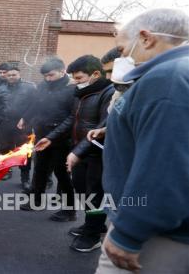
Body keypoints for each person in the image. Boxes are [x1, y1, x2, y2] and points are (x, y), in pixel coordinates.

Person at [95, 9, 189, 273]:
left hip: (157, 235)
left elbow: (165, 166)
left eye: (124, 49)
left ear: (146, 38)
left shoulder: (167, 78)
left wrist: (129, 233)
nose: (125, 57)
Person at [35, 55, 114, 252]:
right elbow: (72, 119)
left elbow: (102, 126)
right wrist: (51, 137)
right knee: (82, 190)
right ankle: (92, 224)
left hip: (98, 154)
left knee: (95, 196)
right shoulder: (82, 94)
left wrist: (77, 152)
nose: (75, 82)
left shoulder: (108, 93)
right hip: (80, 151)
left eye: (78, 78)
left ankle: (93, 235)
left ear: (95, 74)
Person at [18, 57, 76, 221]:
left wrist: (54, 135)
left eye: (51, 75)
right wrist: (25, 118)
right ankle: (37, 201)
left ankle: (69, 210)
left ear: (62, 71)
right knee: (40, 168)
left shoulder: (72, 89)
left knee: (62, 173)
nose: (48, 79)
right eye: (45, 76)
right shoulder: (43, 86)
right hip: (42, 134)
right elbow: (35, 105)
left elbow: (72, 116)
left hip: (62, 137)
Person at [0, 65, 35, 183]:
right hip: (5, 123)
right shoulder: (1, 88)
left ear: (19, 74)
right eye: (9, 75)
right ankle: (6, 171)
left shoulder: (29, 88)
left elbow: (34, 106)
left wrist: (26, 119)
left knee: (24, 151)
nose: (11, 77)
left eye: (14, 75)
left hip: (22, 124)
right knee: (5, 148)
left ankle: (24, 177)